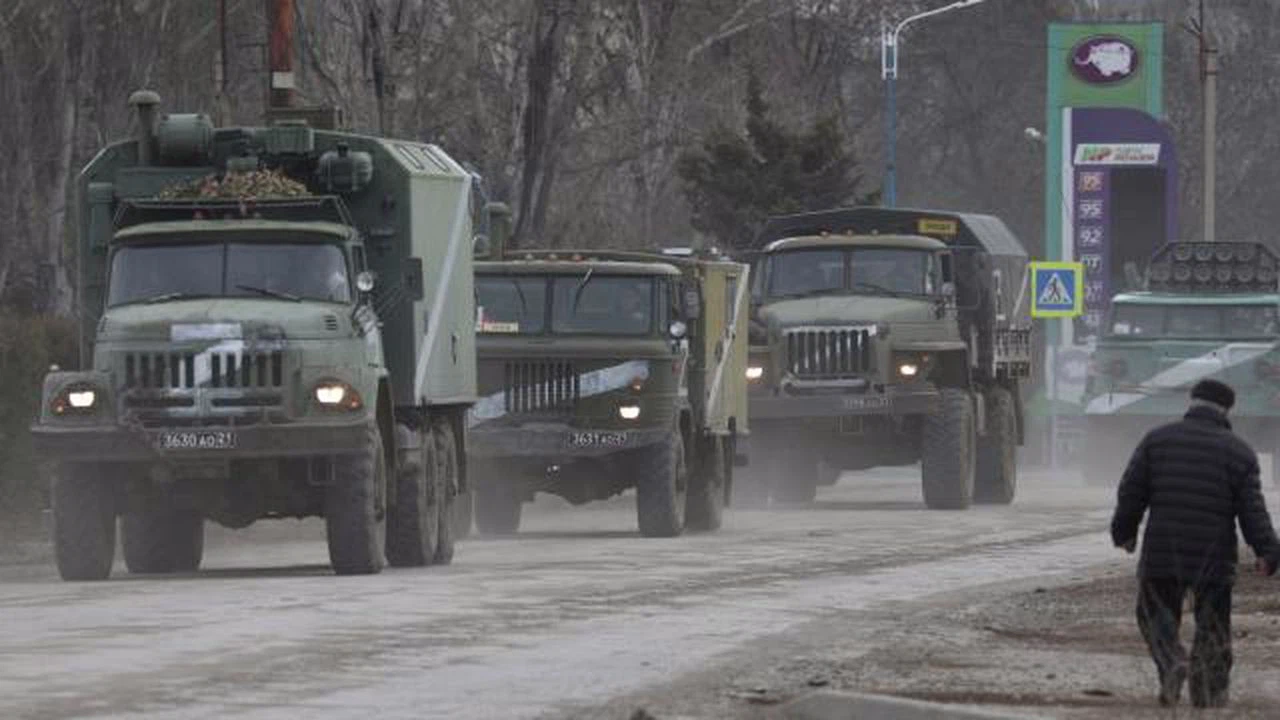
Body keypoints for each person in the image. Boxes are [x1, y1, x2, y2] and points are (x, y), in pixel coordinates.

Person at [1111, 379, 1280, 708]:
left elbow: (1131, 492)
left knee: (1155, 617)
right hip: (1213, 558)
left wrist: (1124, 533)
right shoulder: (1240, 452)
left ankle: (1171, 661)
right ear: (1227, 410)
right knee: (1213, 626)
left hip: (1163, 552)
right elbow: (1252, 511)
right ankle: (1208, 697)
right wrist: (1268, 552)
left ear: (1191, 403)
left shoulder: (1157, 440)